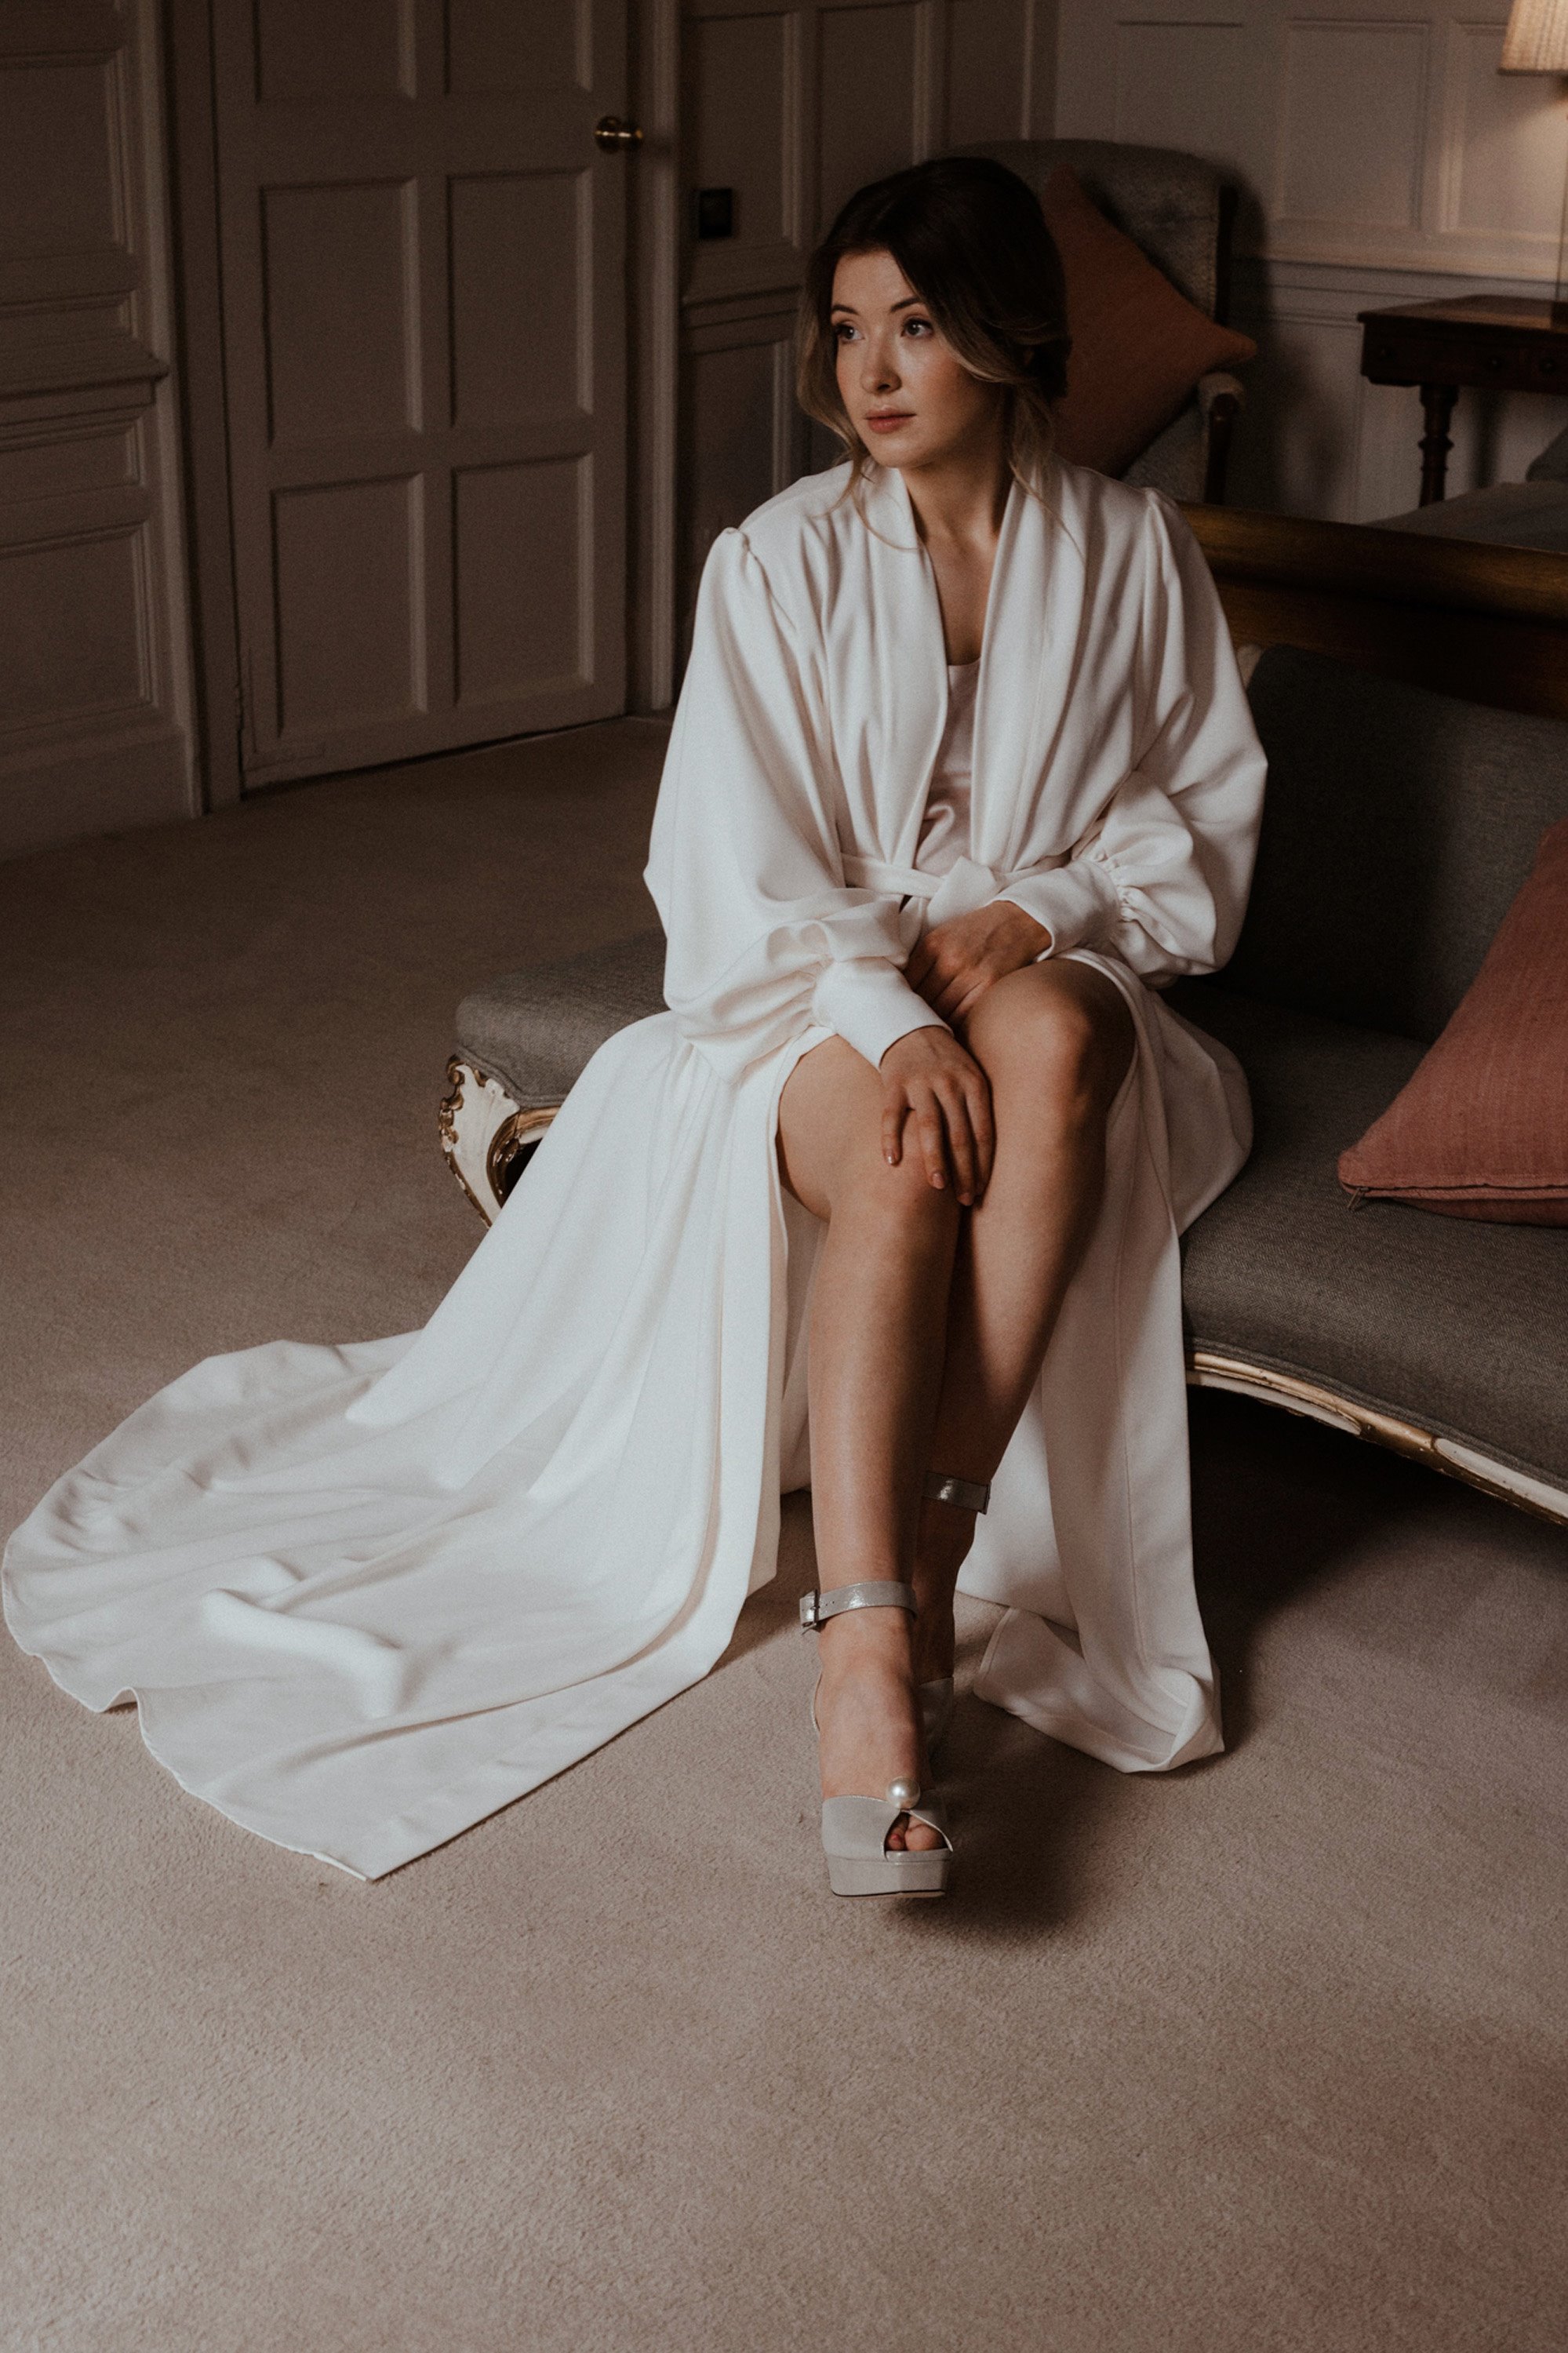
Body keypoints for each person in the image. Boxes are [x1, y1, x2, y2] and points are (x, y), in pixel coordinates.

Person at [3, 158, 1265, 1896]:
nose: (872, 373)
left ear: (1004, 339)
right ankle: (868, 1650)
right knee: (908, 1151)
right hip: (810, 986)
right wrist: (887, 1009)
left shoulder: (1130, 551)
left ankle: (938, 1526)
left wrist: (1035, 910)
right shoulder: (776, 560)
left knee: (1052, 1044)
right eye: (846, 331)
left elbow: (1194, 821)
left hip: (1058, 961)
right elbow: (736, 868)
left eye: (916, 327)